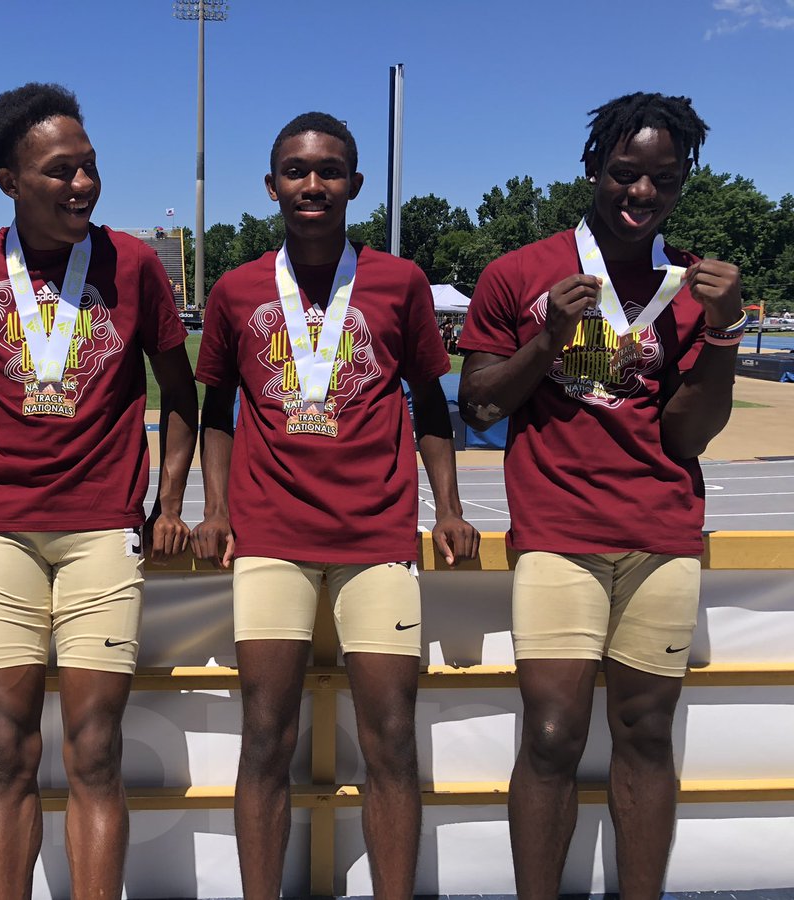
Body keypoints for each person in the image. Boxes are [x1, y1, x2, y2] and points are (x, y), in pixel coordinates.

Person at [457, 92, 744, 900]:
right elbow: (478, 403)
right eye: (624, 174)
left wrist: (721, 333)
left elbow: (687, 437)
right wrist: (548, 336)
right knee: (551, 737)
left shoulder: (694, 287)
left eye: (663, 179)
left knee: (647, 734)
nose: (641, 194)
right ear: (593, 169)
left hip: (661, 534)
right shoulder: (520, 273)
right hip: (557, 532)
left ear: (685, 181)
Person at [0, 82, 198, 898]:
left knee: (94, 752)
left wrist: (171, 503)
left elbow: (183, 396)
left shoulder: (135, 264)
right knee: (6, 754)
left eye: (90, 167)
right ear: (9, 180)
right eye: (60, 171)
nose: (83, 185)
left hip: (102, 535)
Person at [192, 111, 479, 899]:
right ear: (271, 185)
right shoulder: (237, 289)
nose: (312, 184)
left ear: (355, 185)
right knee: (266, 737)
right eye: (295, 170)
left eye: (328, 171)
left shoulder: (399, 282)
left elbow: (431, 400)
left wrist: (447, 506)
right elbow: (217, 409)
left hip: (377, 535)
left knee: (390, 739)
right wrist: (214, 507)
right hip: (270, 535)